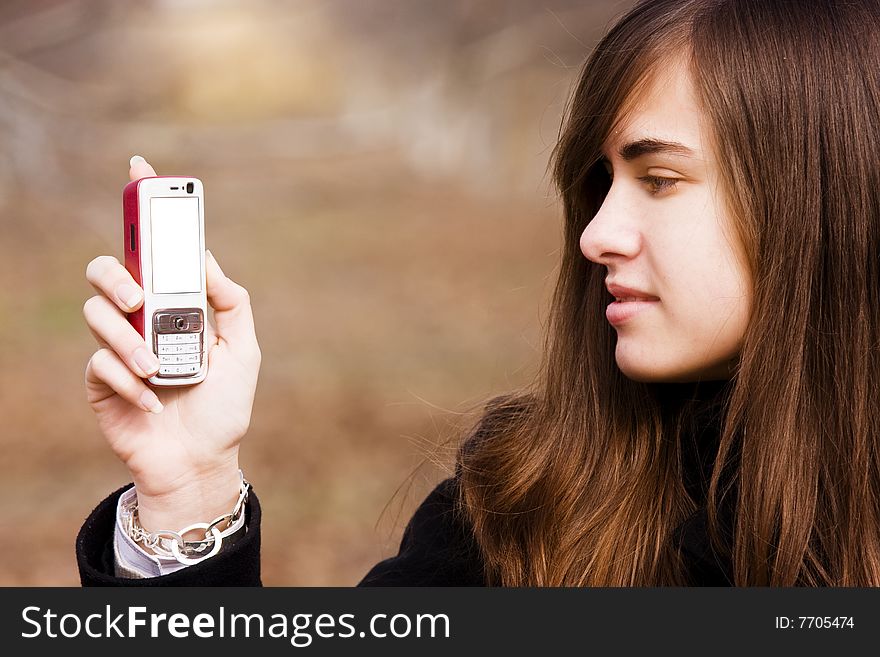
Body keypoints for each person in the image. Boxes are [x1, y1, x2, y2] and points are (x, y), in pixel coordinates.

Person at [77, 0, 880, 586]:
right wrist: (189, 495)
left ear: (820, 197)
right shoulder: (520, 512)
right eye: (599, 183)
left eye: (659, 178)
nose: (596, 234)